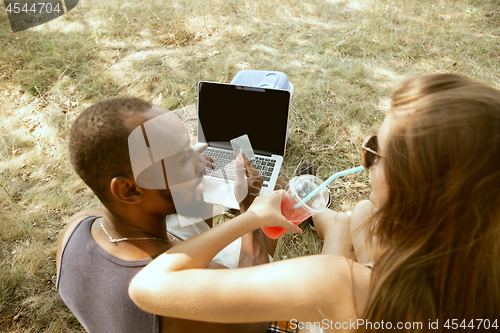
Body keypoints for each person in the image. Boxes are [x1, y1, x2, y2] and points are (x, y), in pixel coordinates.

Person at [129, 74, 500, 332]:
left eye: (373, 153)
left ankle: (331, 224)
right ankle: (326, 217)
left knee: (348, 223)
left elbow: (148, 288)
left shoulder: (337, 284)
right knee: (365, 213)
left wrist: (251, 214)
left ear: (413, 187)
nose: (364, 157)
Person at [56, 97, 275, 333]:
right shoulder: (190, 284)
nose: (200, 162)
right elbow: (255, 321)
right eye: (182, 159)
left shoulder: (76, 227)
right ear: (129, 190)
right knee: (264, 253)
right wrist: (250, 210)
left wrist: (185, 174)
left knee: (189, 208)